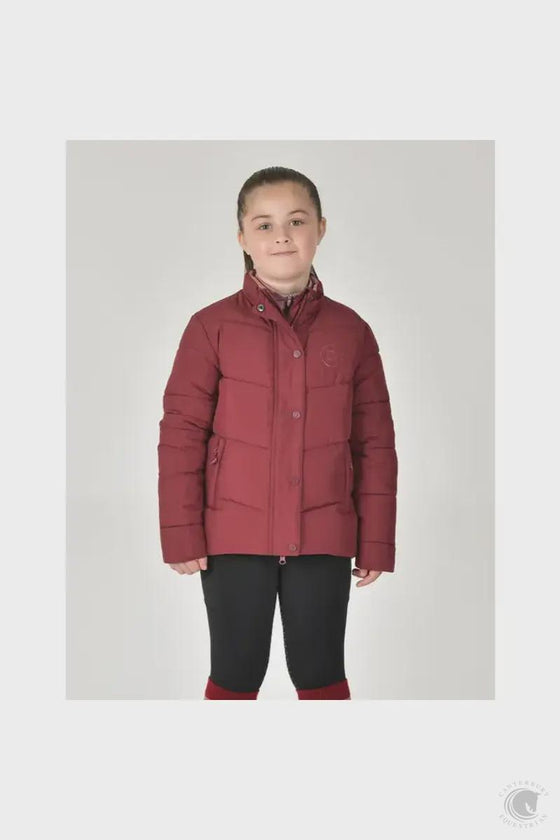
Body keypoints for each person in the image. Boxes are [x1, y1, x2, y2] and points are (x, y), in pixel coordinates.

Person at [157, 166, 398, 700]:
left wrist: (377, 539)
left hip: (324, 533)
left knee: (320, 672)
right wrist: (181, 532)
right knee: (236, 672)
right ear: (243, 238)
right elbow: (181, 434)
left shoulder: (351, 331)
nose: (282, 236)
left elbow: (375, 443)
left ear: (321, 228)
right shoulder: (210, 328)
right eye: (264, 225)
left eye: (296, 220)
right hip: (232, 535)